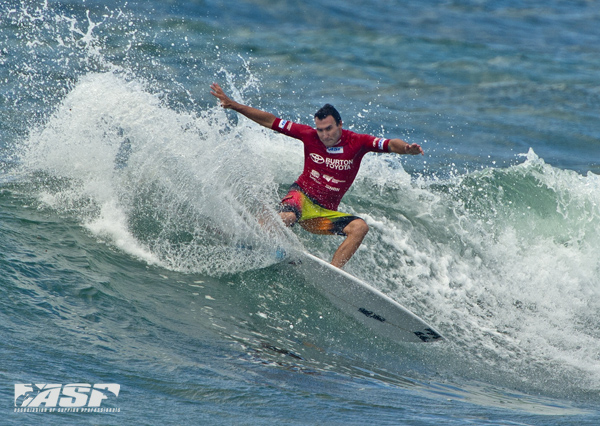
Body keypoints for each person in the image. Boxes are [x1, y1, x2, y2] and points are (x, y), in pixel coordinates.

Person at [210, 83, 424, 269]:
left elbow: (389, 144)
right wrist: (234, 105)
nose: (324, 135)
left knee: (360, 227)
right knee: (287, 217)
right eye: (320, 130)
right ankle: (247, 237)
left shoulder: (358, 142)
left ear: (340, 124)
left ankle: (333, 274)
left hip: (321, 214)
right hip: (300, 197)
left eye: (329, 129)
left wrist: (406, 149)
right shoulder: (309, 135)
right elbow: (270, 121)